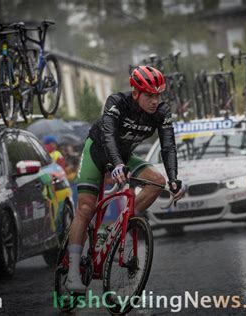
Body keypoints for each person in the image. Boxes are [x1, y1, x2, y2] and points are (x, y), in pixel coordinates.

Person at [66, 65, 185, 292]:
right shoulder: (117, 102)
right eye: (150, 95)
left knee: (157, 182)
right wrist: (117, 164)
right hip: (98, 151)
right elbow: (108, 134)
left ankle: (113, 230)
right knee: (85, 208)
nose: (155, 100)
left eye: (158, 95)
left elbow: (168, 145)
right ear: (136, 93)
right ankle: (72, 272)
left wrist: (173, 179)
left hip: (125, 156)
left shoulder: (161, 111)